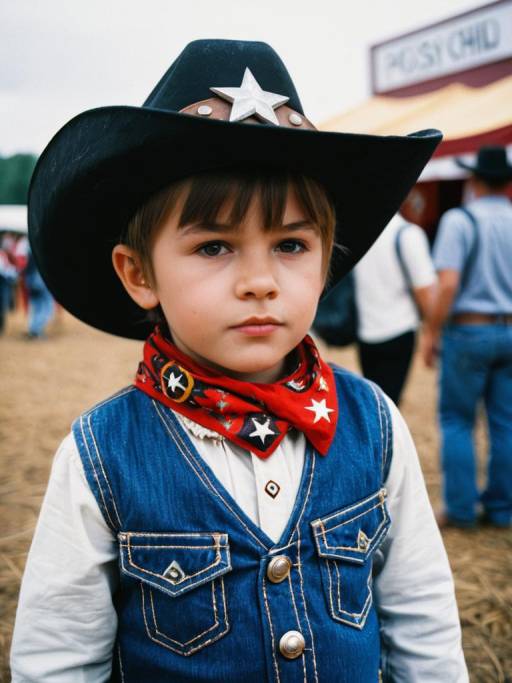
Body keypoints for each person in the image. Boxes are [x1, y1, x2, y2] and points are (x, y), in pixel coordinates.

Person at [10, 40, 467, 682]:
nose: (260, 280)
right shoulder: (100, 457)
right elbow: (57, 661)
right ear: (139, 274)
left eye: (290, 243)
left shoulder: (376, 425)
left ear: (326, 257)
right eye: (215, 245)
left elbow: (424, 624)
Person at [423, 145, 512, 530]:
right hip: (509, 330)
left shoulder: (460, 221)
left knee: (457, 421)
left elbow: (448, 284)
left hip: (469, 330)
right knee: (506, 423)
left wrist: (431, 330)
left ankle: (460, 510)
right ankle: (503, 508)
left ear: (474, 180)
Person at [354, 209, 436, 404]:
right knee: (390, 403)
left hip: (365, 330)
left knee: (374, 400)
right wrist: (433, 331)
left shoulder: (361, 233)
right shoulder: (407, 233)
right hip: (399, 329)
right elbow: (424, 289)